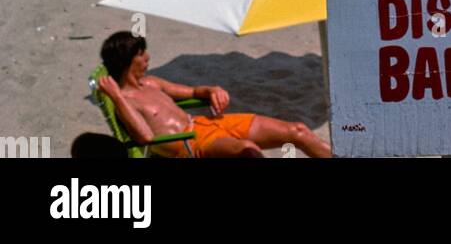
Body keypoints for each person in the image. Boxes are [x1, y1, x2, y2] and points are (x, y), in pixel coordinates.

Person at [96, 32, 331, 159]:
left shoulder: (151, 83)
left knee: (297, 130)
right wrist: (116, 96)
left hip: (207, 123)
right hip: (192, 143)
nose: (147, 57)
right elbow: (145, 137)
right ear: (127, 61)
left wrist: (212, 91)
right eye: (140, 54)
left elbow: (193, 92)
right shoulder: (124, 102)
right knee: (247, 150)